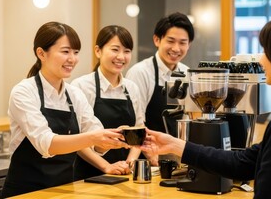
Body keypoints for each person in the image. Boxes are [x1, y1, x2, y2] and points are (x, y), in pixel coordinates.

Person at [139, 21, 271, 199]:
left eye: (265, 53)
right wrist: (176, 145)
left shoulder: (186, 72)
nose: (261, 61)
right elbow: (244, 163)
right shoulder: (142, 72)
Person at [0, 22, 128, 198]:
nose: (72, 59)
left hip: (63, 191)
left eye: (75, 53)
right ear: (41, 53)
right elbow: (47, 144)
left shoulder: (74, 94)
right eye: (65, 51)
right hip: (25, 192)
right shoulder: (23, 91)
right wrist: (93, 137)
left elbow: (94, 132)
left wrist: (111, 140)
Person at [71, 25, 150, 180]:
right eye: (115, 49)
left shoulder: (131, 88)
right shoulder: (81, 86)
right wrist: (107, 167)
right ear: (98, 51)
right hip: (88, 175)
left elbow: (138, 130)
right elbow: (77, 139)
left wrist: (130, 162)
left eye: (127, 51)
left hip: (125, 174)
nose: (121, 56)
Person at [125, 12, 194, 133]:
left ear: (189, 45)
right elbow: (135, 123)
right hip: (147, 147)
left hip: (177, 148)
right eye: (171, 41)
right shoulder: (140, 72)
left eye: (182, 43)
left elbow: (188, 118)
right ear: (157, 40)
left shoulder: (187, 73)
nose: (176, 48)